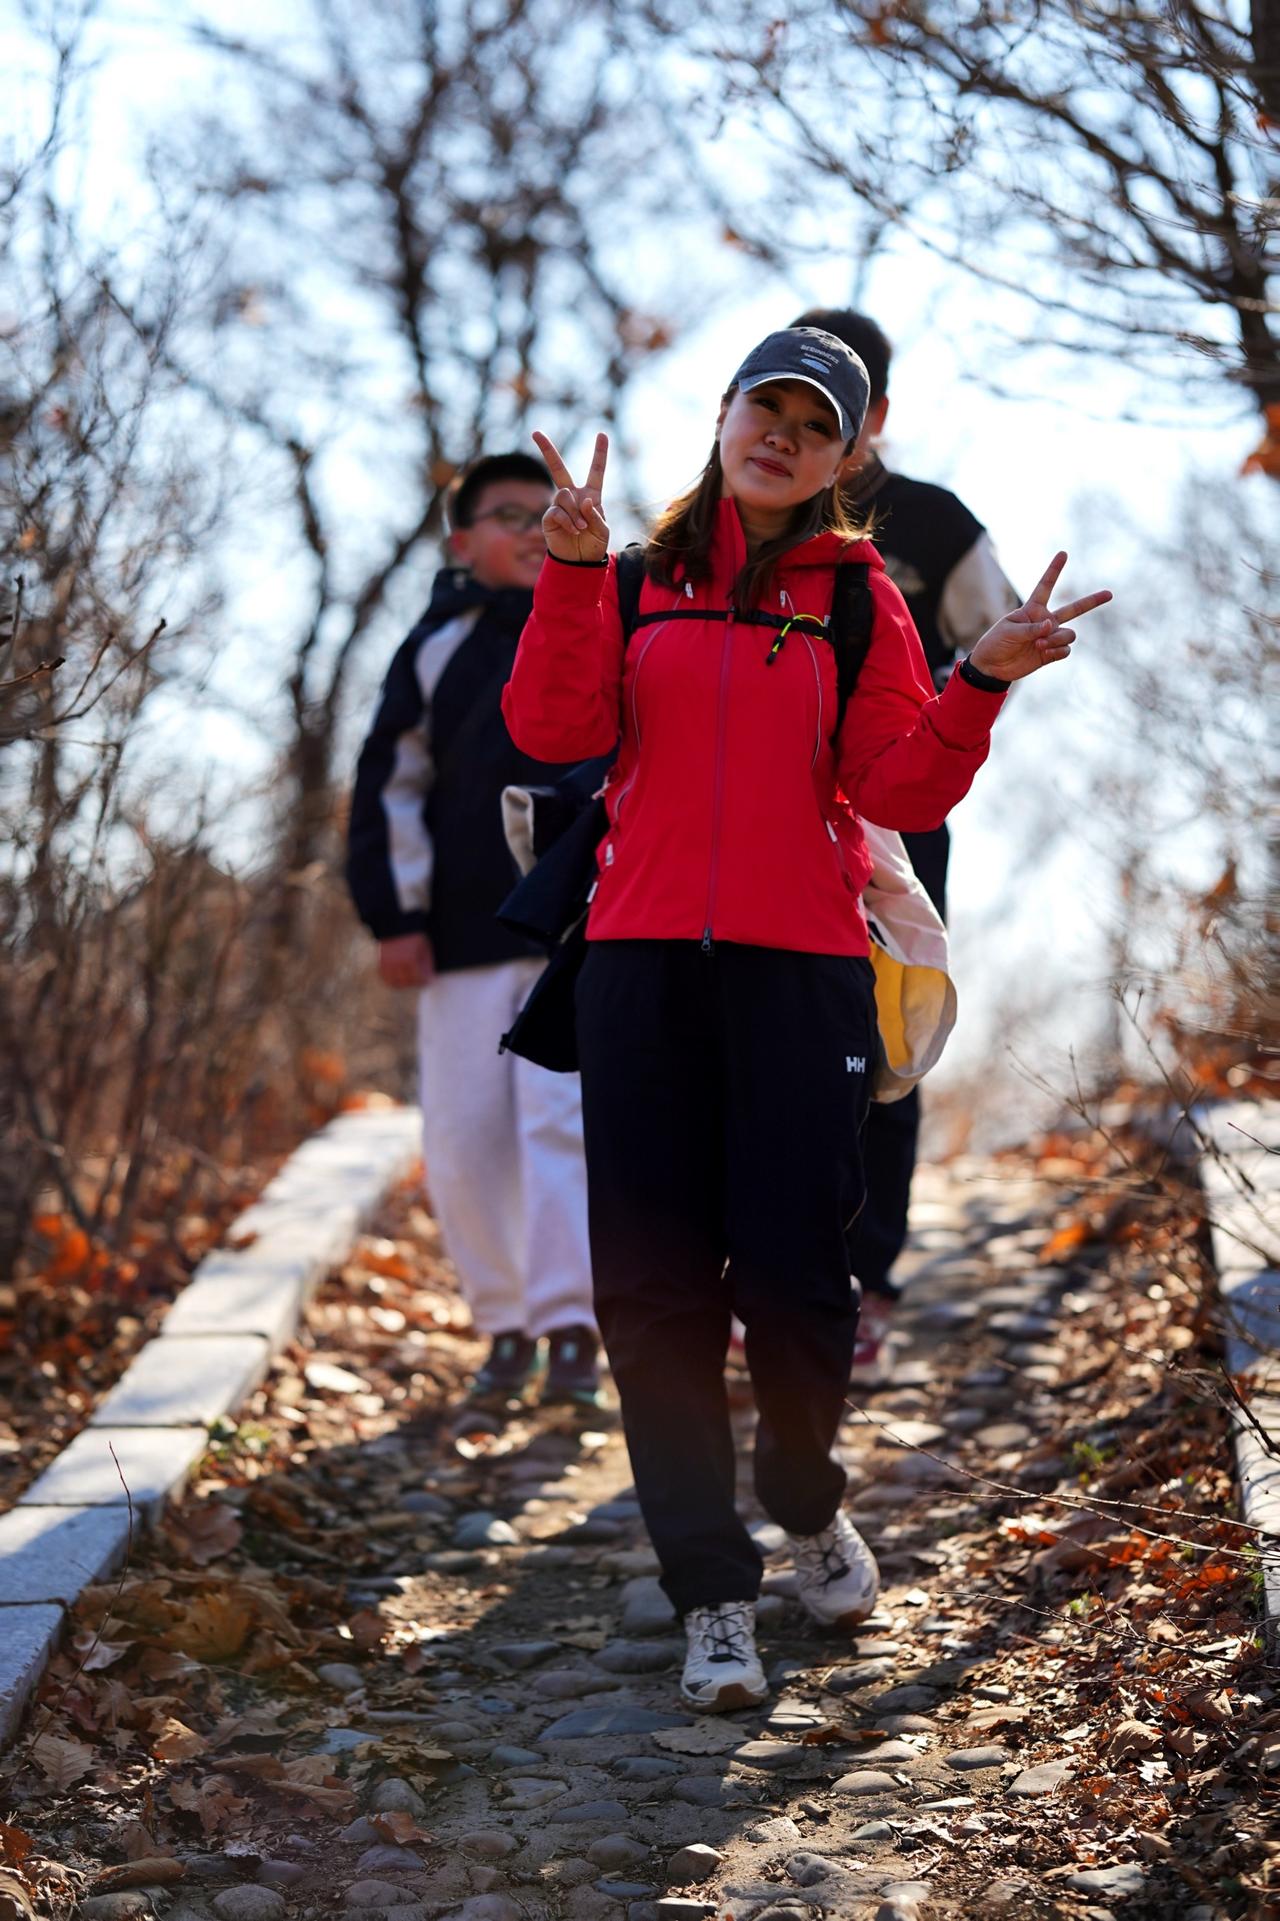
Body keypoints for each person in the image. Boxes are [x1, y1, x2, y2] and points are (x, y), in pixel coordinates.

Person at [501, 326, 1109, 1711]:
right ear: (722, 417)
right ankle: (711, 1589)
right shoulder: (639, 574)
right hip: (642, 968)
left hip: (802, 972)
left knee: (792, 1277)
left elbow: (899, 791)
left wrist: (984, 678)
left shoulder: (858, 599)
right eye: (762, 407)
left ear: (846, 456)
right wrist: (572, 571)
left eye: (813, 424)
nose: (781, 433)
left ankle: (804, 1497)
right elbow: (552, 727)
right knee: (650, 1294)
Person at [346, 452, 602, 1412]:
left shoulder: (599, 626)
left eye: (549, 512)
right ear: (462, 542)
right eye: (508, 515)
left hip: (573, 928)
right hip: (456, 936)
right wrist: (394, 915)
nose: (535, 530)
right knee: (462, 1137)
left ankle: (572, 1322)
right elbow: (390, 786)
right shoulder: (435, 646)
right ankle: (504, 1326)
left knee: (561, 1125)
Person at [795, 307, 1021, 1375]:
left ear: (874, 413)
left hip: (896, 816)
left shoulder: (928, 521)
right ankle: (770, 1277)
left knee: (881, 1034)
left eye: (833, 396)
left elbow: (1000, 637)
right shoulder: (749, 516)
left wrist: (932, 723)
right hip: (766, 819)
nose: (801, 420)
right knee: (765, 1037)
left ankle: (867, 1278)